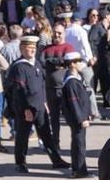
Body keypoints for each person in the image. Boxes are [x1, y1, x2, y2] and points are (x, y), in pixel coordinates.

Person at [9, 34, 67, 172]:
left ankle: (56, 160)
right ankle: (20, 163)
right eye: (29, 48)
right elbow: (19, 90)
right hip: (27, 108)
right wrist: (25, 109)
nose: (32, 50)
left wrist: (45, 102)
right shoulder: (19, 67)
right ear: (22, 49)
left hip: (40, 106)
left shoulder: (37, 64)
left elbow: (42, 85)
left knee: (46, 135)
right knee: (23, 137)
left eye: (33, 48)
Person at [61, 59, 99, 179]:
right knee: (79, 144)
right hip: (78, 118)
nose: (81, 64)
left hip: (80, 116)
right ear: (72, 64)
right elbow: (74, 103)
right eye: (78, 61)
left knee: (78, 143)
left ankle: (77, 168)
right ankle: (79, 170)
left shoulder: (76, 78)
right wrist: (82, 118)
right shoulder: (71, 82)